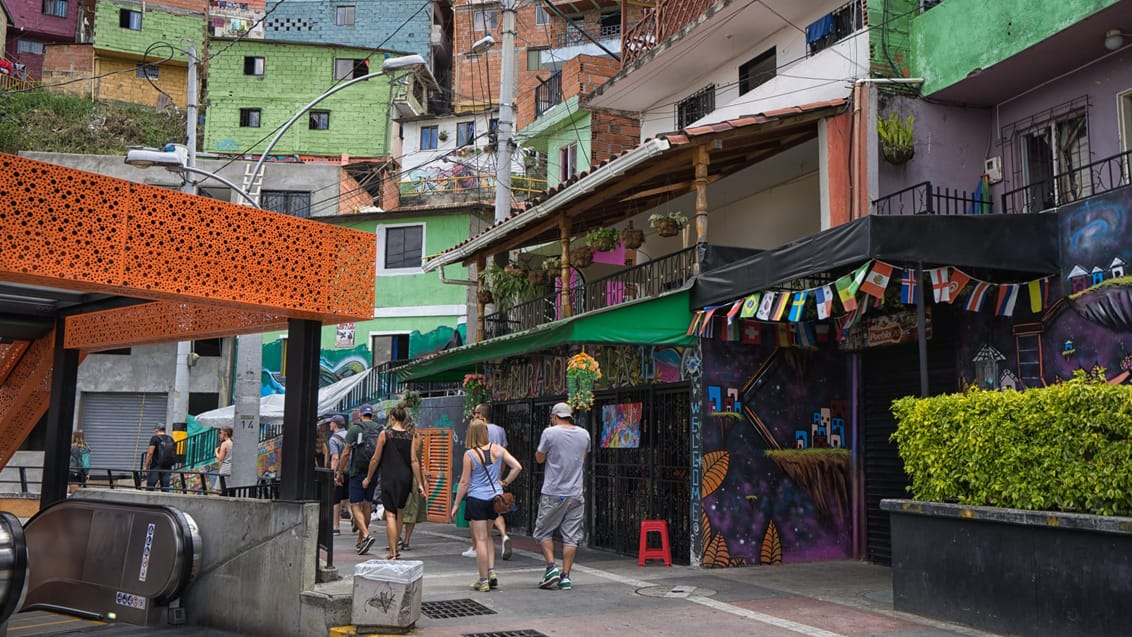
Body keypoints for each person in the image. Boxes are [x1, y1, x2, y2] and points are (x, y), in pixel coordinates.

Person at [451, 418, 522, 592]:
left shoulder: (469, 455)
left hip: (476, 499)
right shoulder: (498, 449)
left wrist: (456, 503)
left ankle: (483, 580)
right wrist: (504, 482)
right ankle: (491, 572)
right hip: (494, 500)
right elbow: (517, 467)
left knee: (480, 540)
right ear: (485, 432)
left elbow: (465, 482)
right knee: (489, 536)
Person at [533, 402, 590, 591]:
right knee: (571, 537)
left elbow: (539, 459)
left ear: (555, 416)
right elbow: (583, 457)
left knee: (543, 531)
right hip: (576, 493)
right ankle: (566, 576)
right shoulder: (584, 434)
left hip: (553, 492)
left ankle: (551, 567)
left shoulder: (550, 432)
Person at [362, 405, 425, 560]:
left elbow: (375, 459)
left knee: (390, 514)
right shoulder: (412, 435)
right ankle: (396, 546)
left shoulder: (385, 434)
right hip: (405, 477)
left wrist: (369, 477)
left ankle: (393, 552)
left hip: (389, 477)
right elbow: (414, 460)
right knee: (400, 512)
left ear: (392, 418)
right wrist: (420, 483)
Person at [463, 403, 514, 560]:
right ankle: (504, 535)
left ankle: (476, 547)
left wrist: (457, 502)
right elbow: (506, 457)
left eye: (475, 413)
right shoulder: (500, 430)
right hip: (495, 478)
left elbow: (466, 478)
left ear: (479, 414)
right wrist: (502, 478)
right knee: (496, 509)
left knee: (476, 521)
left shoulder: (477, 429)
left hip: (478, 481)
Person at [337, 403, 381, 555]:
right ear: (372, 415)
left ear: (360, 415)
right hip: (374, 471)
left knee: (355, 504)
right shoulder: (380, 429)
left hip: (357, 471)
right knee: (368, 504)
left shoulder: (355, 429)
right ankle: (361, 538)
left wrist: (339, 471)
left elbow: (345, 452)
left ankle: (366, 535)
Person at [398, 410, 430, 551]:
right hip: (416, 477)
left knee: (398, 509)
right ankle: (406, 541)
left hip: (400, 474)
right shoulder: (418, 438)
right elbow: (418, 459)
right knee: (413, 509)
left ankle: (395, 539)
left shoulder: (397, 437)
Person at [326, 415, 349, 534]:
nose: (329, 425)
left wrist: (334, 474)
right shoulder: (350, 434)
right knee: (346, 497)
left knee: (336, 499)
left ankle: (336, 527)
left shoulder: (333, 439)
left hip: (340, 472)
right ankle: (354, 517)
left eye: (331, 423)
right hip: (351, 470)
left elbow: (335, 458)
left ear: (335, 424)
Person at [144, 424, 176, 492]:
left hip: (156, 465)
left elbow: (150, 453)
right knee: (165, 487)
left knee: (150, 487)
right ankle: (165, 502)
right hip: (167, 466)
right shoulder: (170, 438)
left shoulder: (155, 438)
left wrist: (146, 465)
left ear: (157, 430)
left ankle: (147, 502)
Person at [214, 427, 233, 491]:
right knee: (229, 488)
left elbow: (220, 458)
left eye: (220, 433)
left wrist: (216, 451)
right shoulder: (233, 443)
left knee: (220, 489)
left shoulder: (224, 444)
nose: (219, 435)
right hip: (232, 468)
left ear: (225, 434)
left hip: (225, 468)